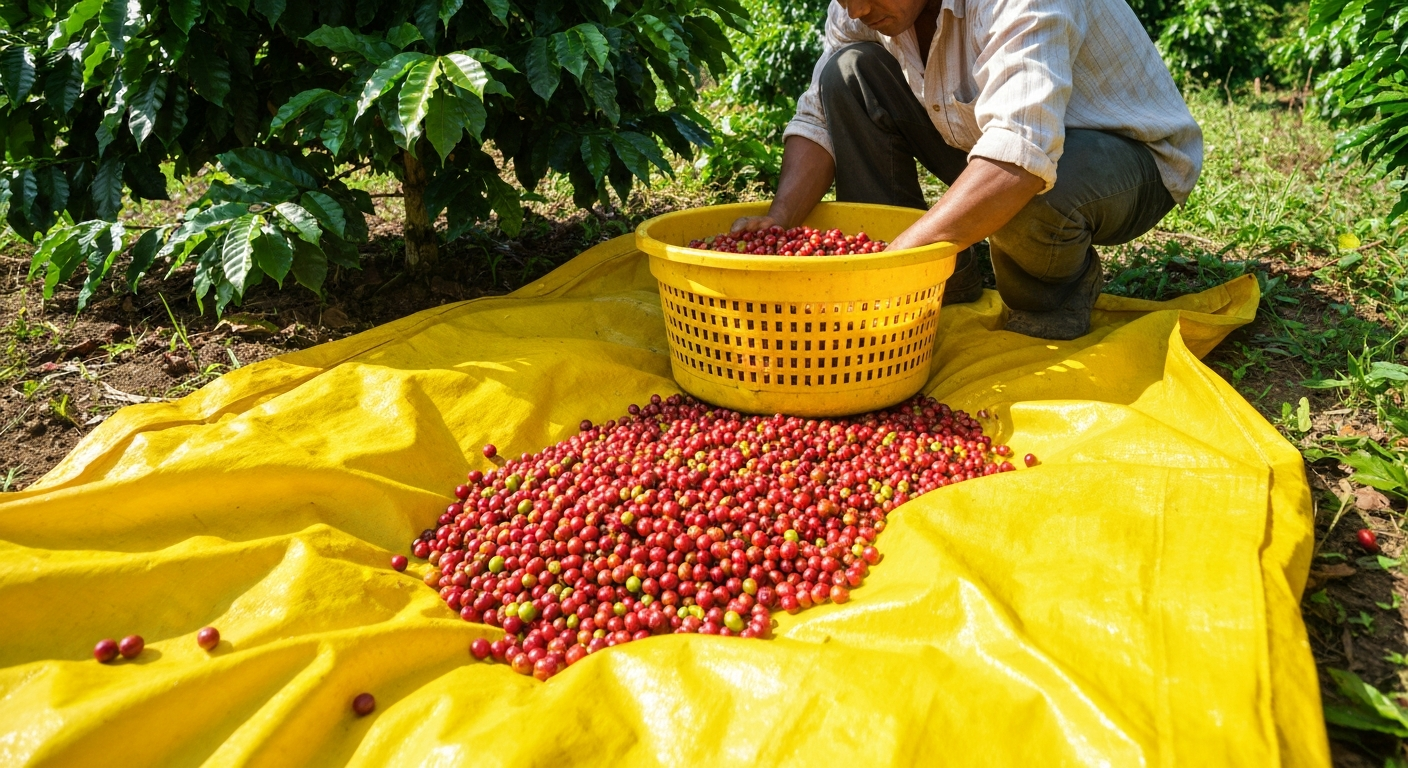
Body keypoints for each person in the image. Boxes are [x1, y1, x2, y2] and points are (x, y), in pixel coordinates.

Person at [730, 0, 1203, 339]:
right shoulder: (861, 8)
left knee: (1026, 194)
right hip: (989, 139)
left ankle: (1051, 295)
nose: (856, 10)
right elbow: (818, 117)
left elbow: (1021, 155)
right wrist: (779, 217)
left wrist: (891, 261)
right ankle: (937, 279)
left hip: (1127, 153)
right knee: (847, 70)